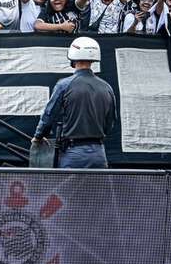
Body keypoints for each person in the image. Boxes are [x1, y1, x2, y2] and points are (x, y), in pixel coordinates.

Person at [32, 37, 116, 169]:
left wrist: (38, 136)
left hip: (73, 153)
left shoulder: (64, 85)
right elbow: (109, 124)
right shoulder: (107, 87)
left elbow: (49, 115)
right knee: (99, 189)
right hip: (99, 153)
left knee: (68, 189)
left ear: (73, 57)